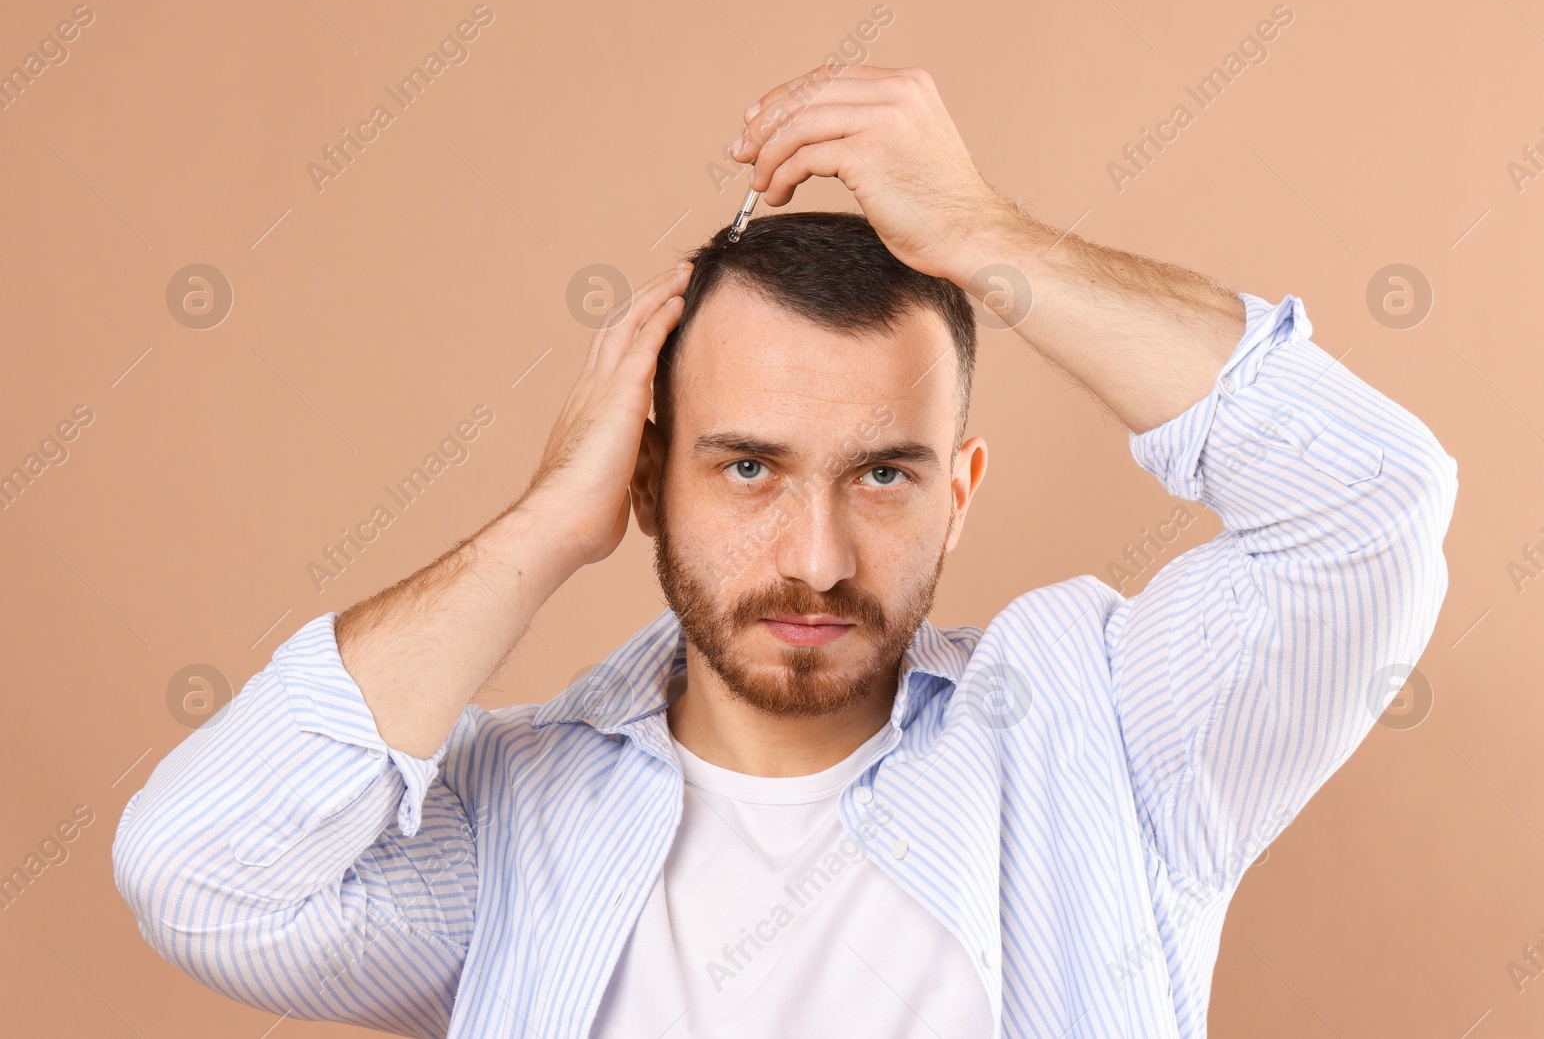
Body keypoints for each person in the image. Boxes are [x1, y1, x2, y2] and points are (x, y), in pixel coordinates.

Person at [111, 65, 1457, 1039]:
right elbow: (200, 871)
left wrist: (993, 243)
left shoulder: (1113, 739)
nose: (814, 556)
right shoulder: (509, 831)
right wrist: (542, 529)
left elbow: (1372, 504)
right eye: (746, 466)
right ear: (648, 478)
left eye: (882, 472)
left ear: (959, 492)